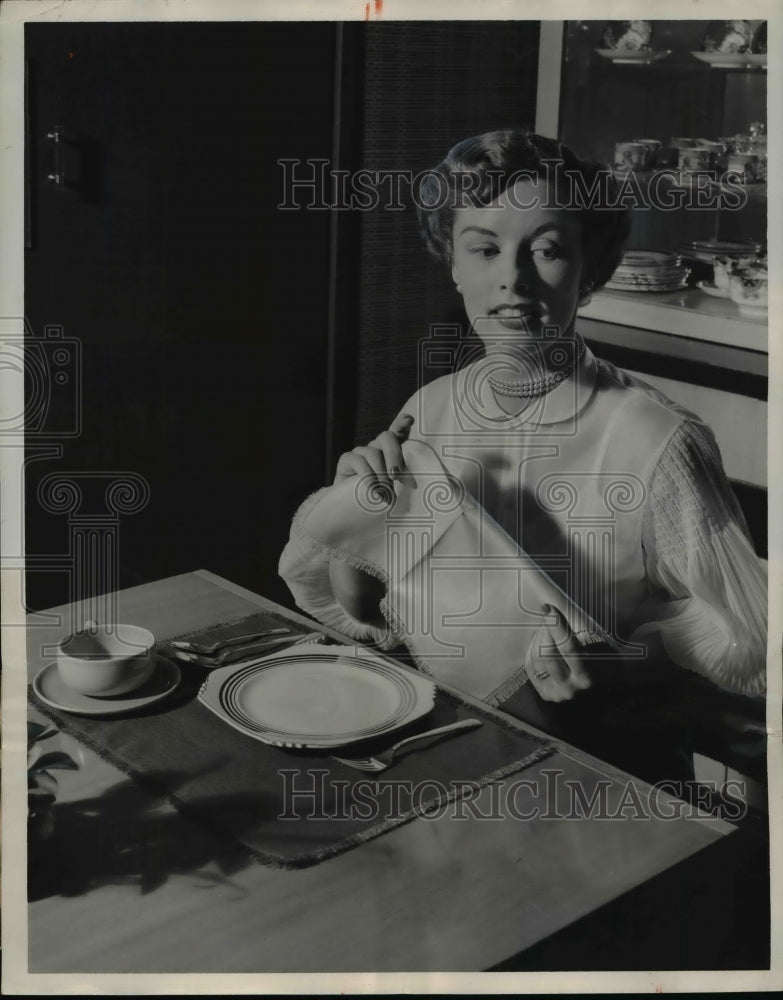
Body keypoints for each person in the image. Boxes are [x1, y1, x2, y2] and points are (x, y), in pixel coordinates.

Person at [279, 130, 766, 775]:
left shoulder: (660, 442)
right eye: (483, 249)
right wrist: (358, 518)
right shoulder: (431, 407)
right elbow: (377, 613)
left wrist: (613, 666)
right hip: (446, 748)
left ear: (590, 271)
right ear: (452, 264)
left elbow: (752, 650)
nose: (511, 279)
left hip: (604, 774)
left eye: (547, 250)